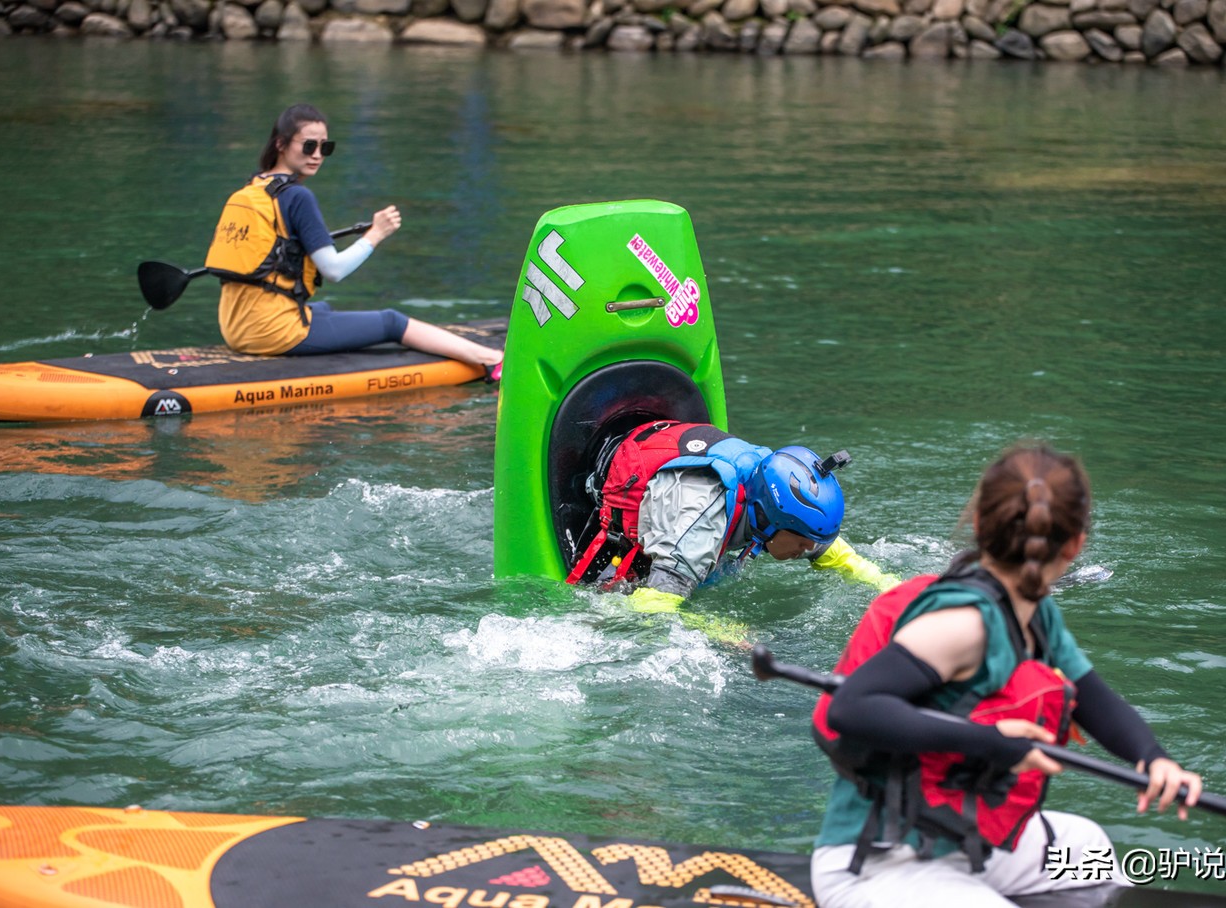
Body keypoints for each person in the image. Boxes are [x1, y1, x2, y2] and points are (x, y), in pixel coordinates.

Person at [809, 443, 1202, 907]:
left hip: (965, 843)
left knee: (1085, 846)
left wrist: (1153, 758)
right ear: (1076, 545)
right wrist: (993, 740)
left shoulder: (1036, 613)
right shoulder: (963, 624)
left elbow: (1093, 699)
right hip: (878, 861)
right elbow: (851, 707)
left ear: (977, 525)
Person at [205, 104, 503, 376]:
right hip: (272, 332)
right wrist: (376, 234)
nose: (317, 155)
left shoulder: (252, 189)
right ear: (281, 144)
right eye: (309, 145)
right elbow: (334, 270)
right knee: (390, 321)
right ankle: (490, 359)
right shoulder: (297, 196)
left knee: (324, 310)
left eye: (325, 147)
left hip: (234, 327)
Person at [565, 421, 898, 639]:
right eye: (801, 544)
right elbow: (650, 607)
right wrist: (716, 628)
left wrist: (886, 585)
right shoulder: (701, 526)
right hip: (602, 491)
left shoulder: (768, 485)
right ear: (768, 522)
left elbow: (830, 550)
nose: (807, 551)